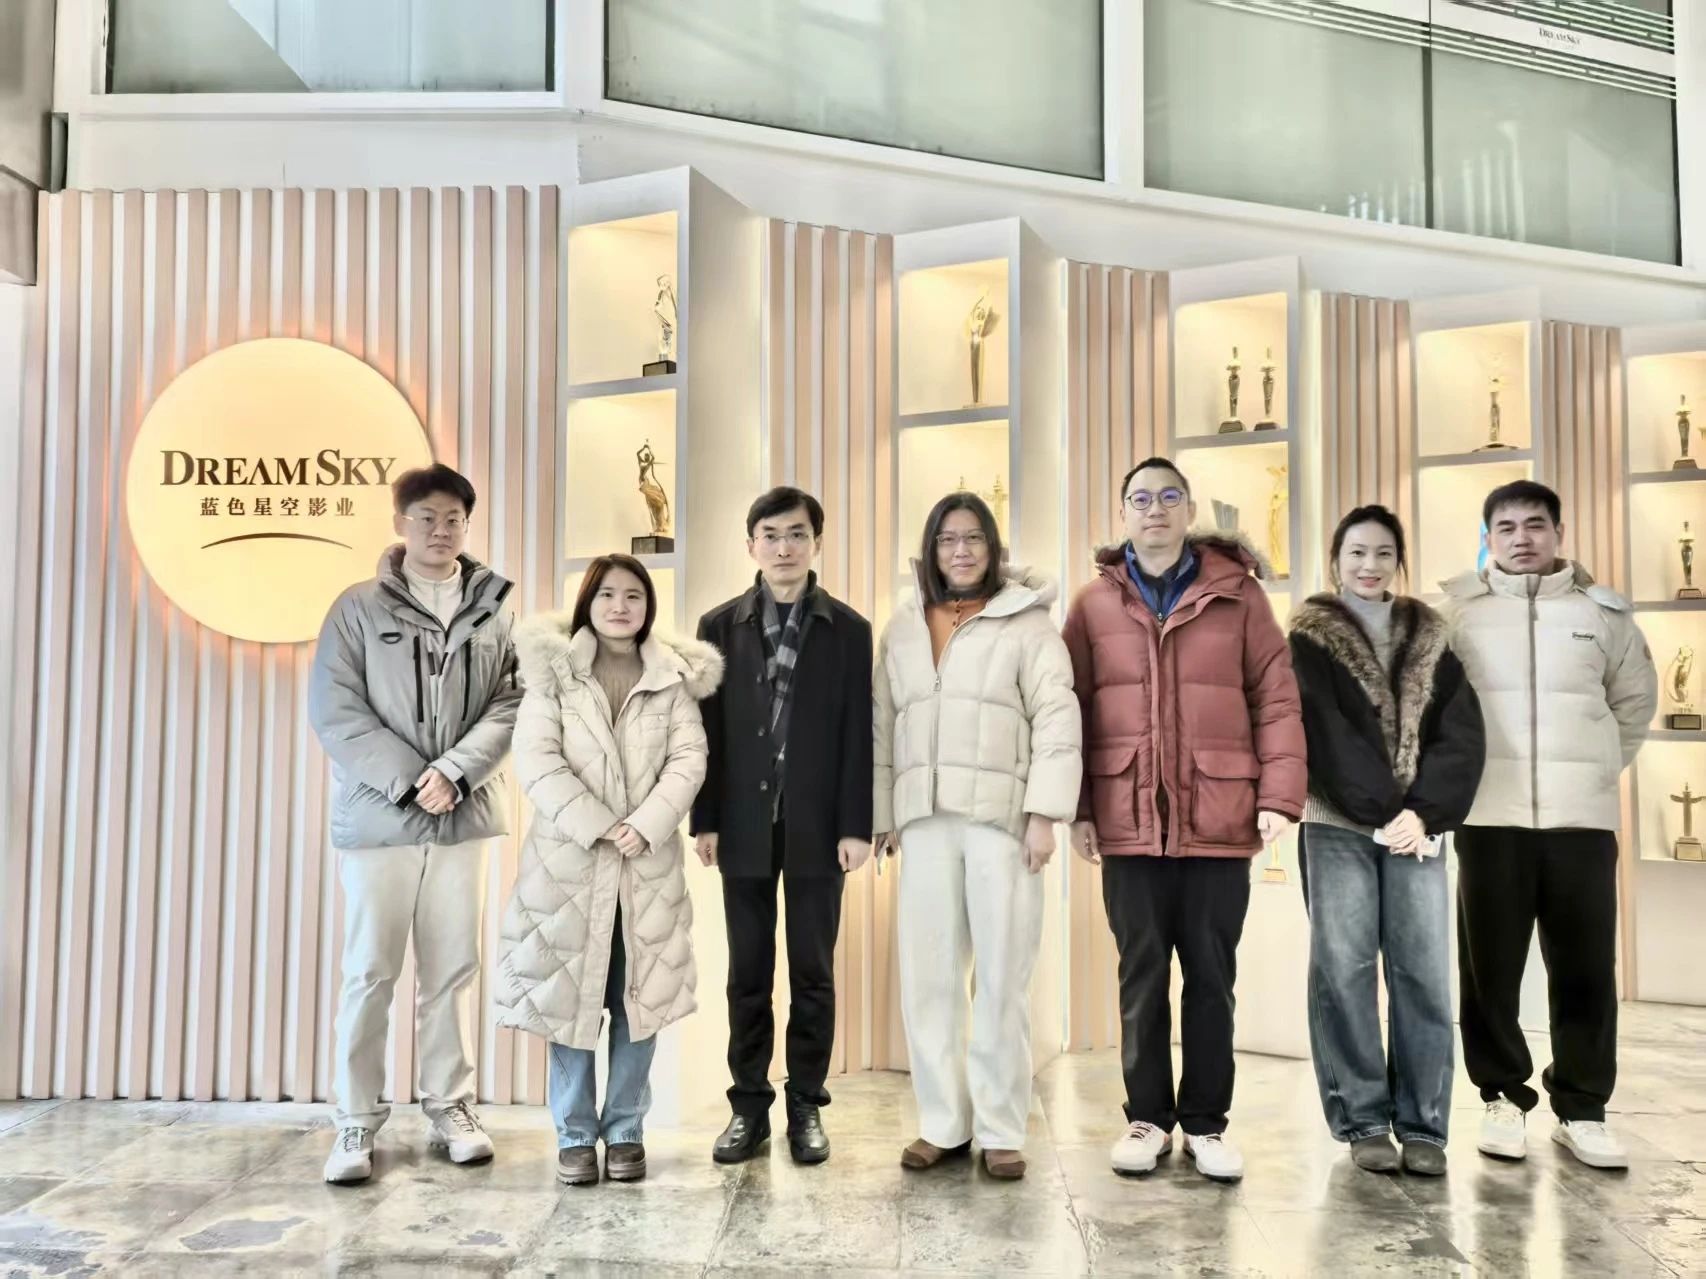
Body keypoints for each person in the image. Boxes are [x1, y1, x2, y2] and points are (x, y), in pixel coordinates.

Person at [1061, 456, 1305, 1184]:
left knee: (1210, 977)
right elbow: (1070, 711)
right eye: (1141, 498)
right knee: (1140, 977)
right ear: (1124, 513)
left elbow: (1277, 698)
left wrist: (1278, 795)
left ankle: (1204, 1123)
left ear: (1189, 508)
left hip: (1218, 818)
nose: (1155, 509)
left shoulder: (1240, 596)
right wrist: (1079, 807)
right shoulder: (1092, 605)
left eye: (1169, 496)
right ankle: (1147, 1118)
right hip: (1127, 818)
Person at [309, 463, 522, 1185]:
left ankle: (450, 1105)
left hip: (464, 814)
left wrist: (456, 771)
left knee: (454, 969)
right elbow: (337, 710)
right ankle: (355, 1118)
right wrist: (411, 779)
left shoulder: (495, 608)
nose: (441, 530)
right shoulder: (356, 608)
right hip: (381, 818)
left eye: (454, 518)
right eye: (427, 517)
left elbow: (513, 701)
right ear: (400, 522)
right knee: (371, 970)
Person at [1443, 480, 1656, 1170]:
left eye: (1535, 524)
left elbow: (1634, 705)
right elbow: (1435, 711)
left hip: (1581, 822)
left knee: (1586, 967)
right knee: (1489, 971)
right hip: (1488, 818)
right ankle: (1502, 1098)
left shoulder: (1603, 615)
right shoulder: (1458, 616)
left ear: (1558, 532)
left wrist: (1594, 771)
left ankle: (1583, 1109)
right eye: (1506, 527)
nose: (1522, 538)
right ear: (1488, 539)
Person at [873, 493, 1082, 1181]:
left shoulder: (1027, 623)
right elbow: (882, 725)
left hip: (1002, 822)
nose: (960, 551)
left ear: (992, 549)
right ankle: (943, 1123)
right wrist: (883, 814)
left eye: (973, 539)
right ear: (931, 551)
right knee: (928, 978)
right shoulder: (903, 628)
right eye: (947, 539)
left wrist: (1045, 813)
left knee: (1001, 978)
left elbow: (1057, 717)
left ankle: (1000, 1128)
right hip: (925, 823)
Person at [495, 555, 721, 1186]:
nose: (621, 606)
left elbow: (689, 758)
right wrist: (600, 824)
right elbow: (537, 760)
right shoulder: (554, 675)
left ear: (649, 607)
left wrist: (644, 825)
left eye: (633, 596)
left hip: (646, 867)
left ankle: (624, 1129)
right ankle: (573, 1134)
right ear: (588, 604)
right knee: (569, 999)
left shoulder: (671, 679)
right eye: (608, 595)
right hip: (568, 866)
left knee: (638, 999)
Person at [1288, 505, 1485, 1176]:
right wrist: (1388, 809)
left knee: (1422, 970)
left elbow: (1460, 733)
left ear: (1398, 562)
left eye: (1382, 553)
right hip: (1337, 823)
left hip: (1417, 830)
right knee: (1343, 969)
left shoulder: (1432, 633)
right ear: (1335, 560)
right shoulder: (1307, 636)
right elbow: (1323, 735)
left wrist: (1423, 814)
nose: (1368, 565)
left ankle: (1424, 1123)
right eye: (1356, 552)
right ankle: (1364, 1119)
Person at [692, 487, 874, 1165]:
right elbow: (705, 732)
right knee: (747, 972)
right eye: (770, 535)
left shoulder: (849, 629)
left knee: (812, 972)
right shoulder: (719, 625)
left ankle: (806, 1105)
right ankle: (748, 1107)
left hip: (819, 827)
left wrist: (856, 824)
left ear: (816, 543)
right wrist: (706, 818)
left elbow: (858, 733)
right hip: (742, 824)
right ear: (751, 546)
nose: (784, 547)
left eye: (797, 534)